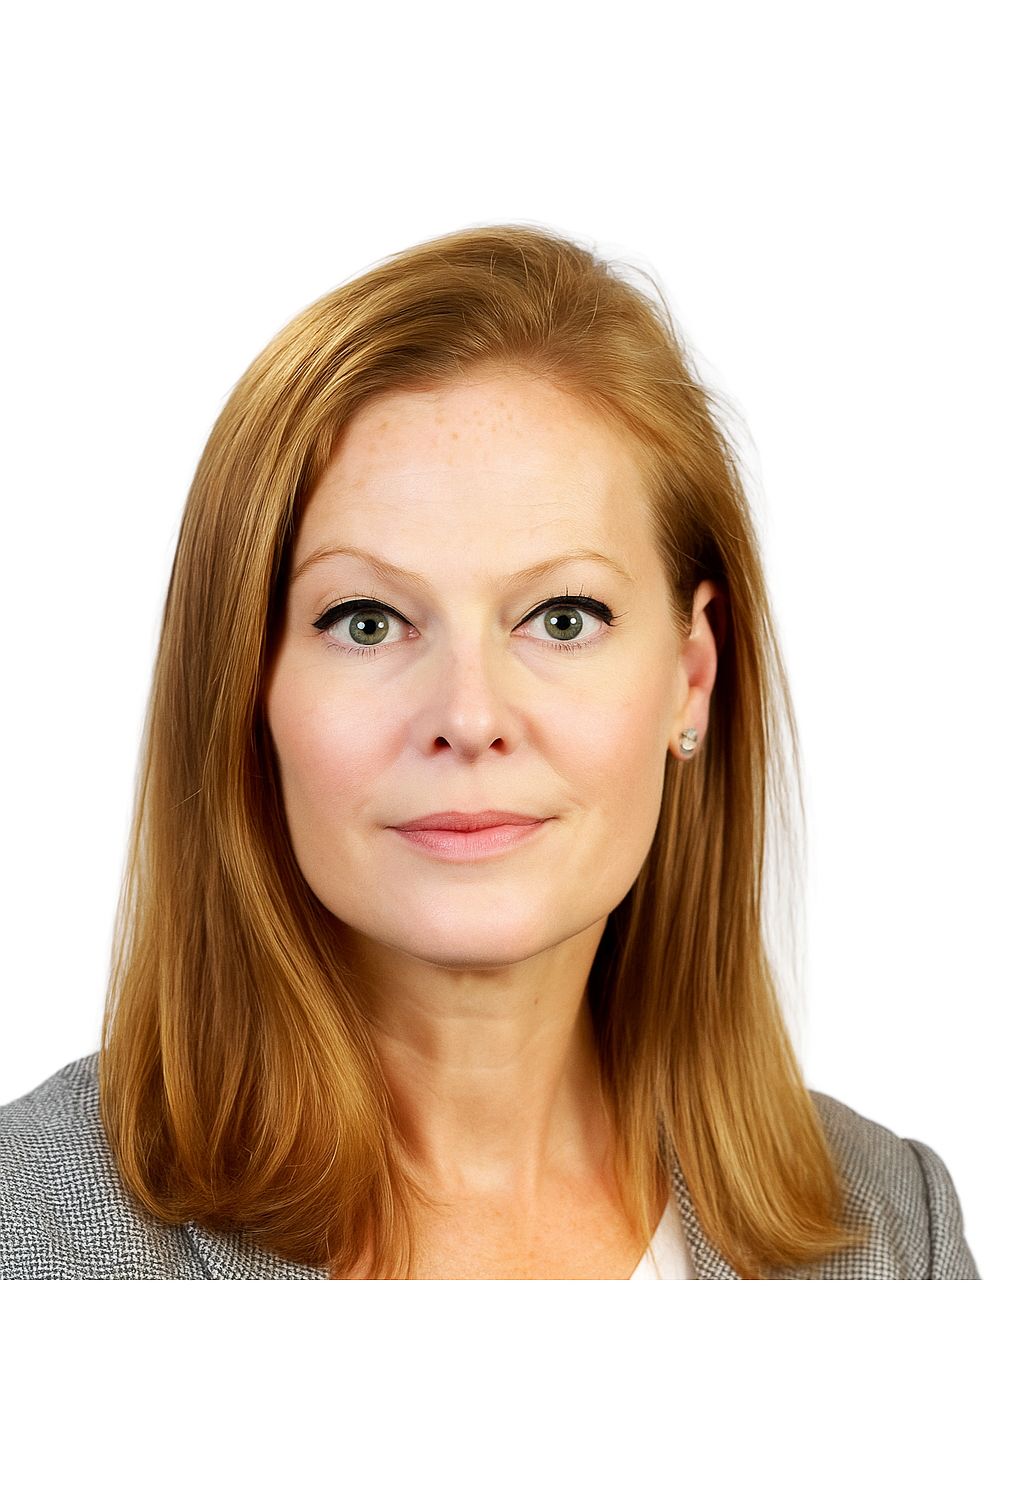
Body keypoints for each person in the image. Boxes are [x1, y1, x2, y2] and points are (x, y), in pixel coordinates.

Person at [0, 226, 977, 1280]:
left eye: (562, 618)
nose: (469, 717)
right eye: (367, 621)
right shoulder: (34, 1231)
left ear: (689, 676)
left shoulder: (894, 1230)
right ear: (245, 686)